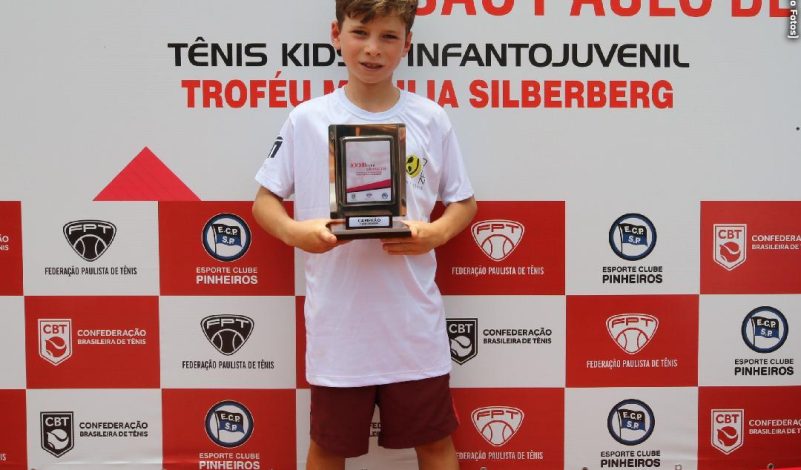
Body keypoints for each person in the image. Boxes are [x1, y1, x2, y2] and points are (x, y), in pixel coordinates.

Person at [252, 1, 476, 468]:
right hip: (339, 329)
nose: (373, 49)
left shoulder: (431, 118)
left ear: (407, 44)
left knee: (435, 444)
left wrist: (435, 232)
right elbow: (263, 202)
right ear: (337, 34)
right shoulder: (307, 118)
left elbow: (464, 203)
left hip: (412, 326)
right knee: (329, 448)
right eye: (360, 33)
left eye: (388, 36)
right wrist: (294, 231)